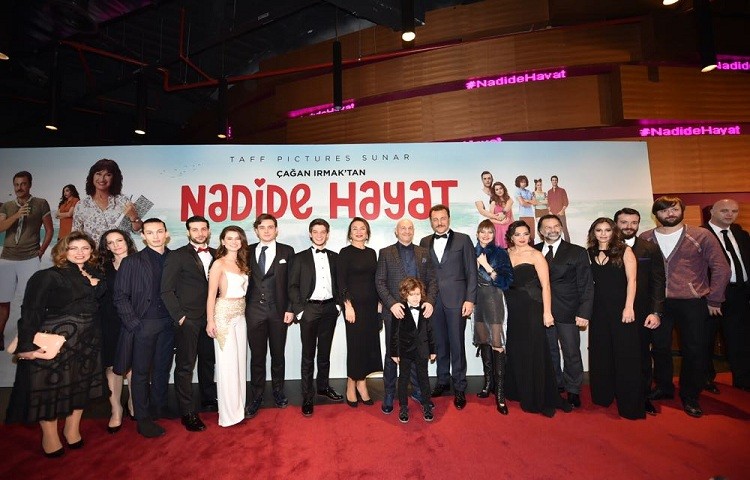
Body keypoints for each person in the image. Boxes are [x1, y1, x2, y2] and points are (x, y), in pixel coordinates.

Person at [5, 231, 104, 457]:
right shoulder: (48, 276)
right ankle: (49, 437)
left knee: (80, 386)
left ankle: (72, 430)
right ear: (63, 251)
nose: (80, 252)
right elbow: (31, 311)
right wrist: (26, 346)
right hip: (56, 343)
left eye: (85, 248)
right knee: (49, 389)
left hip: (88, 341)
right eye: (73, 248)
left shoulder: (95, 273)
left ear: (91, 251)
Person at [640, 196, 730, 417]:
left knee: (694, 349)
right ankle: (664, 387)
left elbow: (721, 268)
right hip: (658, 303)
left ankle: (690, 395)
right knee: (659, 348)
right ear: (655, 214)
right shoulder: (646, 237)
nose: (669, 214)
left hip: (692, 302)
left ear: (682, 211)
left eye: (674, 209)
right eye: (664, 210)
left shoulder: (701, 235)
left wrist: (715, 299)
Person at [113, 218, 176, 438]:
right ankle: (143, 418)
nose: (156, 236)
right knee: (140, 373)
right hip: (143, 324)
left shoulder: (175, 258)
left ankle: (160, 406)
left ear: (166, 233)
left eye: (159, 231)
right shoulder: (132, 262)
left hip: (169, 324)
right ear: (143, 236)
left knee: (162, 368)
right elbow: (120, 296)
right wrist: (134, 324)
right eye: (150, 232)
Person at [504, 221, 570, 417]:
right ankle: (519, 390)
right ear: (511, 237)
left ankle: (538, 395)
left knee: (534, 349)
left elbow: (546, 286)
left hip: (533, 307)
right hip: (513, 308)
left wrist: (547, 312)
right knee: (517, 348)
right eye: (518, 234)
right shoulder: (506, 254)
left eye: (525, 234)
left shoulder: (536, 255)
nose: (522, 238)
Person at [160, 215, 218, 432]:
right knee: (185, 365)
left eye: (203, 229)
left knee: (208, 361)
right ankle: (187, 412)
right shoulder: (177, 255)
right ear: (188, 232)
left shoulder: (216, 254)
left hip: (211, 318)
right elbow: (166, 290)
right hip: (188, 320)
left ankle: (208, 398)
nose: (200, 233)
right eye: (195, 229)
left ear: (209, 231)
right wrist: (180, 317)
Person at [376, 218, 437, 415]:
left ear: (414, 231)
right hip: (394, 313)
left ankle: (419, 391)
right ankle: (389, 394)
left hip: (419, 314)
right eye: (403, 228)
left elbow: (432, 281)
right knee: (392, 354)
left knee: (417, 353)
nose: (407, 231)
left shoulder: (423, 252)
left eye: (410, 228)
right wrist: (392, 304)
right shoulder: (385, 253)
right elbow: (380, 282)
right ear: (396, 231)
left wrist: (429, 301)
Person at [419, 204, 477, 410]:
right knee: (439, 344)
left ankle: (460, 386)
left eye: (442, 218)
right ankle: (442, 381)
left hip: (457, 301)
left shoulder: (463, 239)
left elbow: (472, 271)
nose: (439, 222)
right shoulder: (424, 242)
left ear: (449, 218)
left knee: (457, 344)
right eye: (435, 219)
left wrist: (470, 299)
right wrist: (423, 299)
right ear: (430, 222)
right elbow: (423, 274)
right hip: (433, 302)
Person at [586, 217, 643, 419]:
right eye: (599, 230)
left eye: (607, 230)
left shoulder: (624, 251)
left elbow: (632, 281)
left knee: (625, 354)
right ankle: (603, 396)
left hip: (621, 310)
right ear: (593, 233)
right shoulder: (589, 253)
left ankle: (629, 403)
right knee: (601, 352)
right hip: (598, 311)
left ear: (614, 232)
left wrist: (629, 307)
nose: (603, 234)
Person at [535, 214, 594, 409]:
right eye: (547, 227)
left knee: (571, 352)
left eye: (556, 226)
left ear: (561, 228)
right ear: (540, 231)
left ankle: (573, 389)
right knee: (549, 351)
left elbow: (586, 284)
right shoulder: (534, 250)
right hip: (542, 311)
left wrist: (584, 312)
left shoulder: (577, 252)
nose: (552, 230)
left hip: (569, 311)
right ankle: (556, 384)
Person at [290, 218, 344, 417]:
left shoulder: (335, 257)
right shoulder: (299, 258)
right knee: (308, 354)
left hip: (330, 308)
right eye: (315, 231)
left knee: (325, 352)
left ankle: (323, 387)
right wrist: (300, 311)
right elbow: (293, 286)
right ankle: (307, 396)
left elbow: (340, 284)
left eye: (323, 232)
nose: (319, 235)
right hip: (309, 310)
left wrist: (338, 305)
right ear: (310, 234)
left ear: (327, 234)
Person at [614, 208, 665, 415]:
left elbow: (658, 282)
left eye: (634, 222)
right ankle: (620, 392)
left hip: (642, 312)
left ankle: (643, 396)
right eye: (624, 222)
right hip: (613, 312)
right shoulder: (605, 247)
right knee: (618, 353)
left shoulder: (649, 248)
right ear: (616, 223)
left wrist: (656, 312)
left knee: (642, 355)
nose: (629, 226)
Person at [244, 213, 295, 419]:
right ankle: (256, 395)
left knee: (278, 354)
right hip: (253, 311)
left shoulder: (287, 251)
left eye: (270, 227)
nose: (266, 231)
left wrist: (290, 308)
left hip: (279, 311)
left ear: (276, 230)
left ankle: (278, 391)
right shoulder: (246, 251)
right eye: (262, 227)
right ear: (256, 230)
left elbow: (292, 283)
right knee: (257, 356)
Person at [0, 171, 53, 351]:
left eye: (23, 184)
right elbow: (0, 227)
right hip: (7, 257)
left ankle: (27, 335)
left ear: (29, 185)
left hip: (30, 258)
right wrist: (16, 215)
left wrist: (41, 251)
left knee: (31, 299)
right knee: (2, 300)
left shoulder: (41, 203)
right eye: (16, 184)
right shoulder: (7, 206)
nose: (19, 188)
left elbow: (49, 230)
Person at [702, 199, 750, 392]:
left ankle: (743, 380)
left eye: (734, 211)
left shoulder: (741, 234)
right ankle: (706, 380)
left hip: (739, 294)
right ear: (712, 211)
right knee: (706, 340)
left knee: (741, 340)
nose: (730, 214)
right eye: (724, 211)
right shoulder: (700, 234)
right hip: (711, 295)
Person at [206, 226, 250, 427]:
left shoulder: (242, 263)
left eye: (237, 238)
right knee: (228, 365)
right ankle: (229, 414)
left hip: (241, 315)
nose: (234, 241)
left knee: (240, 362)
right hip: (223, 316)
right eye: (229, 238)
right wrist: (210, 320)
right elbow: (211, 295)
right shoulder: (219, 263)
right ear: (223, 241)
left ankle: (239, 408)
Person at [338, 217, 382, 407]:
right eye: (354, 228)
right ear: (350, 233)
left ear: (367, 232)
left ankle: (362, 383)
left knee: (368, 345)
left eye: (362, 228)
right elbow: (341, 281)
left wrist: (379, 304)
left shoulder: (372, 253)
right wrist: (347, 305)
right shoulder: (345, 253)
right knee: (355, 346)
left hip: (371, 306)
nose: (358, 232)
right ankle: (351, 383)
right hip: (353, 308)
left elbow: (376, 280)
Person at [97, 228, 137, 433]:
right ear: (106, 247)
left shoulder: (141, 263)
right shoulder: (101, 268)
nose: (115, 245)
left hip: (136, 321)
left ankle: (133, 402)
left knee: (135, 365)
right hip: (109, 321)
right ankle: (116, 410)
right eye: (110, 243)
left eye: (119, 240)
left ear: (127, 241)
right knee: (113, 366)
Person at [473, 220, 513, 414]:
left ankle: (500, 393)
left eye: (490, 232)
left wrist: (487, 266)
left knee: (497, 343)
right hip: (477, 302)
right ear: (477, 233)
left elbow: (506, 281)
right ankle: (488, 384)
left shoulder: (500, 253)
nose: (486, 235)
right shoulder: (470, 252)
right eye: (483, 231)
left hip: (494, 299)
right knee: (483, 342)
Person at [391, 277, 437, 424]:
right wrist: (394, 352)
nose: (415, 297)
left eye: (418, 294)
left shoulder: (425, 308)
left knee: (424, 377)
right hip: (405, 350)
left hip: (422, 350)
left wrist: (433, 350)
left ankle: (426, 404)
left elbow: (430, 331)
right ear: (405, 294)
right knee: (403, 379)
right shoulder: (400, 309)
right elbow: (394, 333)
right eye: (412, 294)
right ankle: (403, 407)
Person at [72, 158, 143, 244]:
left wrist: (134, 216)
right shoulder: (81, 205)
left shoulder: (124, 201)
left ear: (114, 178)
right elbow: (76, 235)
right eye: (98, 174)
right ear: (92, 176)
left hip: (123, 251)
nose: (102, 179)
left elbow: (138, 231)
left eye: (108, 175)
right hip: (95, 252)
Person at [489, 182, 513, 248]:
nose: (499, 191)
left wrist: (513, 225)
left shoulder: (509, 201)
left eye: (500, 188)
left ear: (503, 189)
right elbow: (490, 219)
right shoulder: (493, 203)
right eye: (496, 189)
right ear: (494, 192)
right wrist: (501, 222)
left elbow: (511, 215)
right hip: (499, 228)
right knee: (501, 248)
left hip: (509, 226)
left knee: (511, 247)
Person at [547, 175, 570, 242]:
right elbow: (548, 203)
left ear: (557, 181)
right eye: (553, 180)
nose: (554, 181)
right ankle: (556, 243)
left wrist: (562, 211)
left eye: (555, 180)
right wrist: (549, 211)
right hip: (553, 215)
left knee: (564, 229)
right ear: (551, 181)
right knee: (554, 230)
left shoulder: (562, 190)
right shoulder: (549, 192)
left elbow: (566, 202)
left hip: (561, 214)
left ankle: (568, 244)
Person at [514, 175, 536, 243]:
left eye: (524, 182)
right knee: (524, 234)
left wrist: (526, 200)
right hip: (523, 215)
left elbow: (535, 202)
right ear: (518, 183)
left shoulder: (529, 191)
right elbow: (522, 203)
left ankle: (532, 248)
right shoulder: (517, 191)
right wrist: (530, 202)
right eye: (522, 182)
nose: (523, 183)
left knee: (532, 235)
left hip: (531, 215)